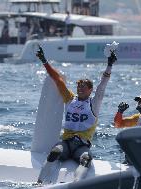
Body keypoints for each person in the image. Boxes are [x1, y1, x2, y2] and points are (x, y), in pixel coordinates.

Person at [36, 45, 117, 184]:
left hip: (82, 146)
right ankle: (39, 182)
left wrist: (109, 65)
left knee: (86, 159)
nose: (79, 89)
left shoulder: (94, 103)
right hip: (66, 143)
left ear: (90, 90)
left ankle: (76, 184)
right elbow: (57, 79)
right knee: (54, 152)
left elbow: (103, 84)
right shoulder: (69, 98)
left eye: (83, 87)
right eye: (78, 86)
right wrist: (44, 61)